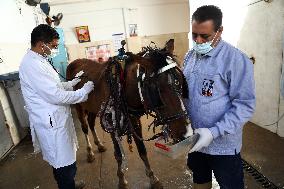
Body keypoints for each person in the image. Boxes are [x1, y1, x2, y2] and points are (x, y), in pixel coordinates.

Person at [183, 5, 256, 189]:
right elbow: (184, 96)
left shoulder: (236, 59)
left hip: (223, 147)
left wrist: (213, 132)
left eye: (205, 36)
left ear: (219, 31)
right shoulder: (189, 57)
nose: (198, 41)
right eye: (194, 35)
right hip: (195, 142)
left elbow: (244, 106)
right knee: (200, 182)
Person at [19, 24, 94, 189]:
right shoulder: (32, 65)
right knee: (63, 164)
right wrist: (83, 91)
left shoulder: (40, 60)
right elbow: (55, 95)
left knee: (63, 162)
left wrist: (71, 83)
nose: (55, 49)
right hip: (51, 123)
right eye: (53, 46)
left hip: (55, 119)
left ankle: (69, 184)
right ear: (41, 44)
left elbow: (53, 86)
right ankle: (67, 186)